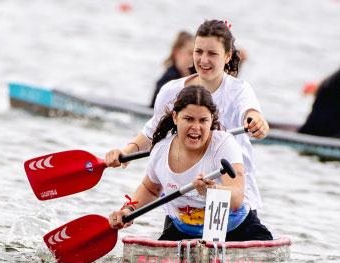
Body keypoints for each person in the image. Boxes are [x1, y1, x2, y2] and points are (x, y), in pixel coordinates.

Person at [106, 19, 269, 216]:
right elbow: (153, 132)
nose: (204, 60)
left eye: (212, 53)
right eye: (198, 52)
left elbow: (253, 115)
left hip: (233, 200)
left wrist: (257, 123)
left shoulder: (239, 90)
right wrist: (125, 153)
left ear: (227, 56)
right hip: (185, 201)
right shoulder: (171, 91)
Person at [109, 85, 272, 241]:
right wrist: (129, 210)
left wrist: (211, 191)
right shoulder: (160, 150)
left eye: (203, 121)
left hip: (236, 228)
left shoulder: (224, 144)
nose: (196, 127)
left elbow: (237, 197)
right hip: (184, 229)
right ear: (175, 117)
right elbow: (150, 189)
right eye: (188, 119)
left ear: (211, 120)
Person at [150, 31, 194, 108]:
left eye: (196, 53)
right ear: (177, 53)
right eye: (190, 53)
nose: (194, 58)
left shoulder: (190, 79)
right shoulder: (169, 79)